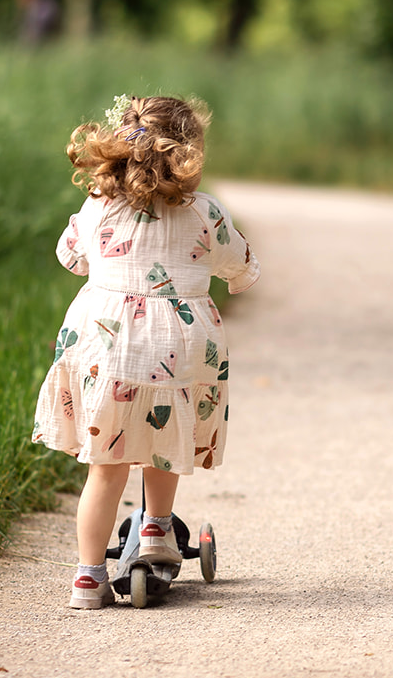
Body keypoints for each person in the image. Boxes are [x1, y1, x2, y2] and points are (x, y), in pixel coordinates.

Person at [32, 93, 260, 608]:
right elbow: (243, 270)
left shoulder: (98, 205)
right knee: (166, 438)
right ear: (189, 155)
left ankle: (88, 578)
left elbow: (70, 257)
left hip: (106, 348)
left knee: (105, 468)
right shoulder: (206, 214)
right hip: (179, 348)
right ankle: (157, 529)